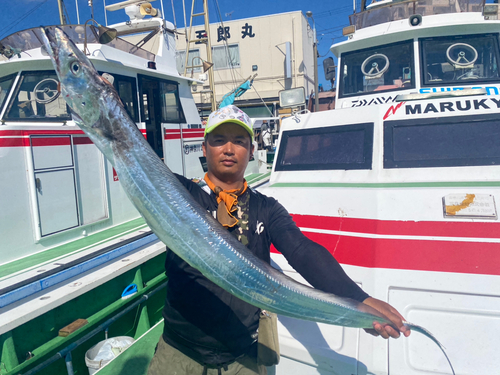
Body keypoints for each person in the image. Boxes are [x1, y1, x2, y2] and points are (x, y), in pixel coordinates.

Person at [147, 105, 410, 375]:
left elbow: (302, 251)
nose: (228, 149)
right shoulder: (180, 194)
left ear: (251, 151)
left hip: (243, 355)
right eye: (218, 140)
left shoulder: (266, 209)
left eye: (239, 141)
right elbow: (138, 163)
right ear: (204, 148)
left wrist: (357, 299)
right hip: (179, 350)